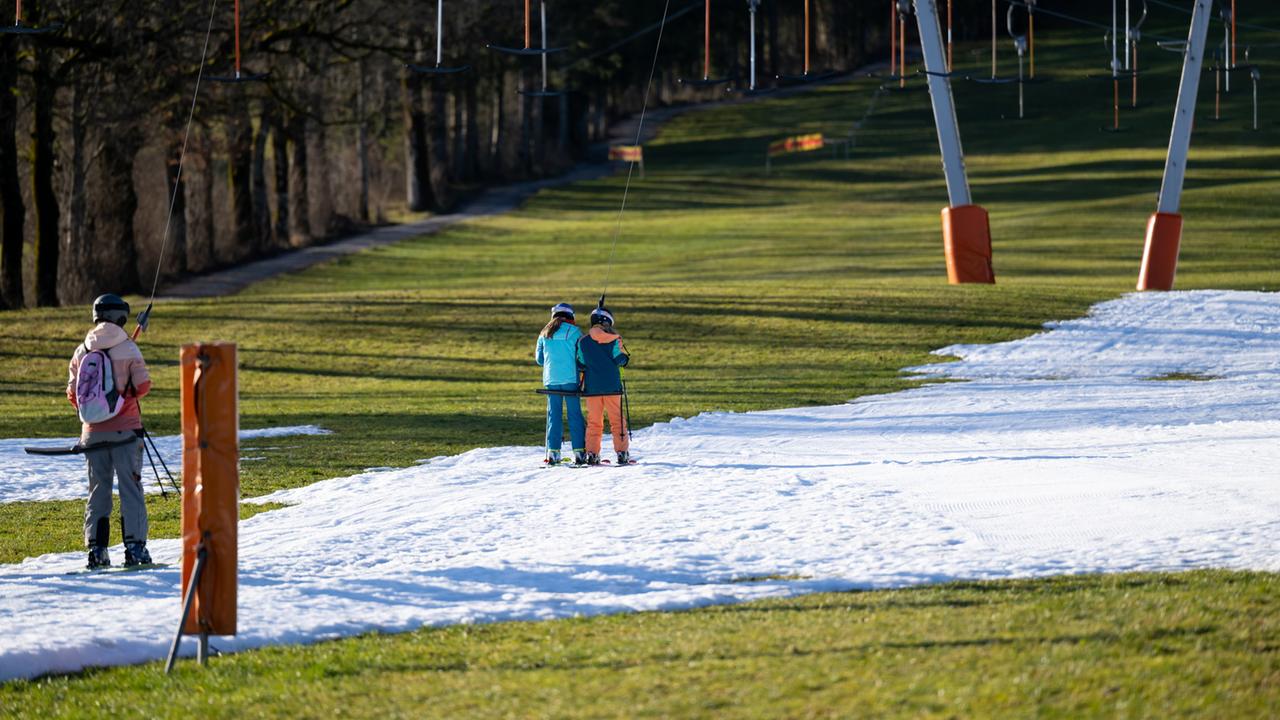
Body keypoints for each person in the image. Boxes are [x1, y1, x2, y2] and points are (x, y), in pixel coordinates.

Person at [66, 294, 153, 569]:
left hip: (91, 434)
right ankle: (135, 549)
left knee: (97, 490)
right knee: (131, 489)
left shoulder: (82, 350)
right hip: (126, 432)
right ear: (120, 318)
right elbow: (143, 386)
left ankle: (97, 550)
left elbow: (72, 394)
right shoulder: (128, 347)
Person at [576, 307, 631, 465]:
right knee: (617, 420)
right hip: (612, 387)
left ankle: (592, 454)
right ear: (606, 322)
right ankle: (622, 453)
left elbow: (581, 363)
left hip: (592, 388)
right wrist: (625, 357)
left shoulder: (582, 341)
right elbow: (620, 359)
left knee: (594, 422)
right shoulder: (614, 339)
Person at [535, 302, 587, 465]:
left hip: (551, 380)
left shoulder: (544, 332)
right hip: (570, 379)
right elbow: (582, 358)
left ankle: (554, 453)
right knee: (575, 415)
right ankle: (579, 452)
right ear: (570, 316)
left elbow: (539, 360)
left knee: (553, 416)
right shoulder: (575, 331)